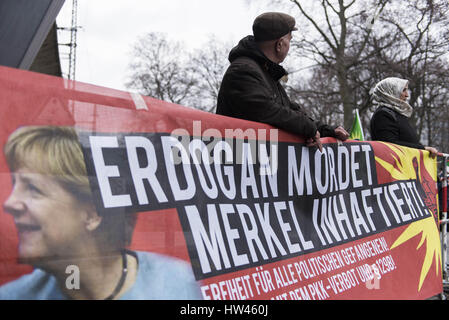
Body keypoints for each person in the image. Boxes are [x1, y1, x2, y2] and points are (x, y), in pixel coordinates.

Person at [0, 126, 202, 300]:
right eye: (14, 184)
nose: (9, 203)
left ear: (92, 214)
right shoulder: (13, 295)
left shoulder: (175, 284)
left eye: (33, 189)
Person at [216, 12, 349, 151]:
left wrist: (325, 130)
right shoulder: (243, 71)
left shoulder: (264, 71)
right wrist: (308, 128)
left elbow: (290, 110)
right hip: (238, 163)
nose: (289, 45)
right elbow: (269, 111)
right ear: (279, 44)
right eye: (290, 40)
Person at [369, 77, 438, 157]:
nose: (407, 95)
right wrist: (422, 149)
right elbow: (389, 145)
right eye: (403, 90)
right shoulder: (382, 115)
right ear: (390, 92)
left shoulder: (396, 113)